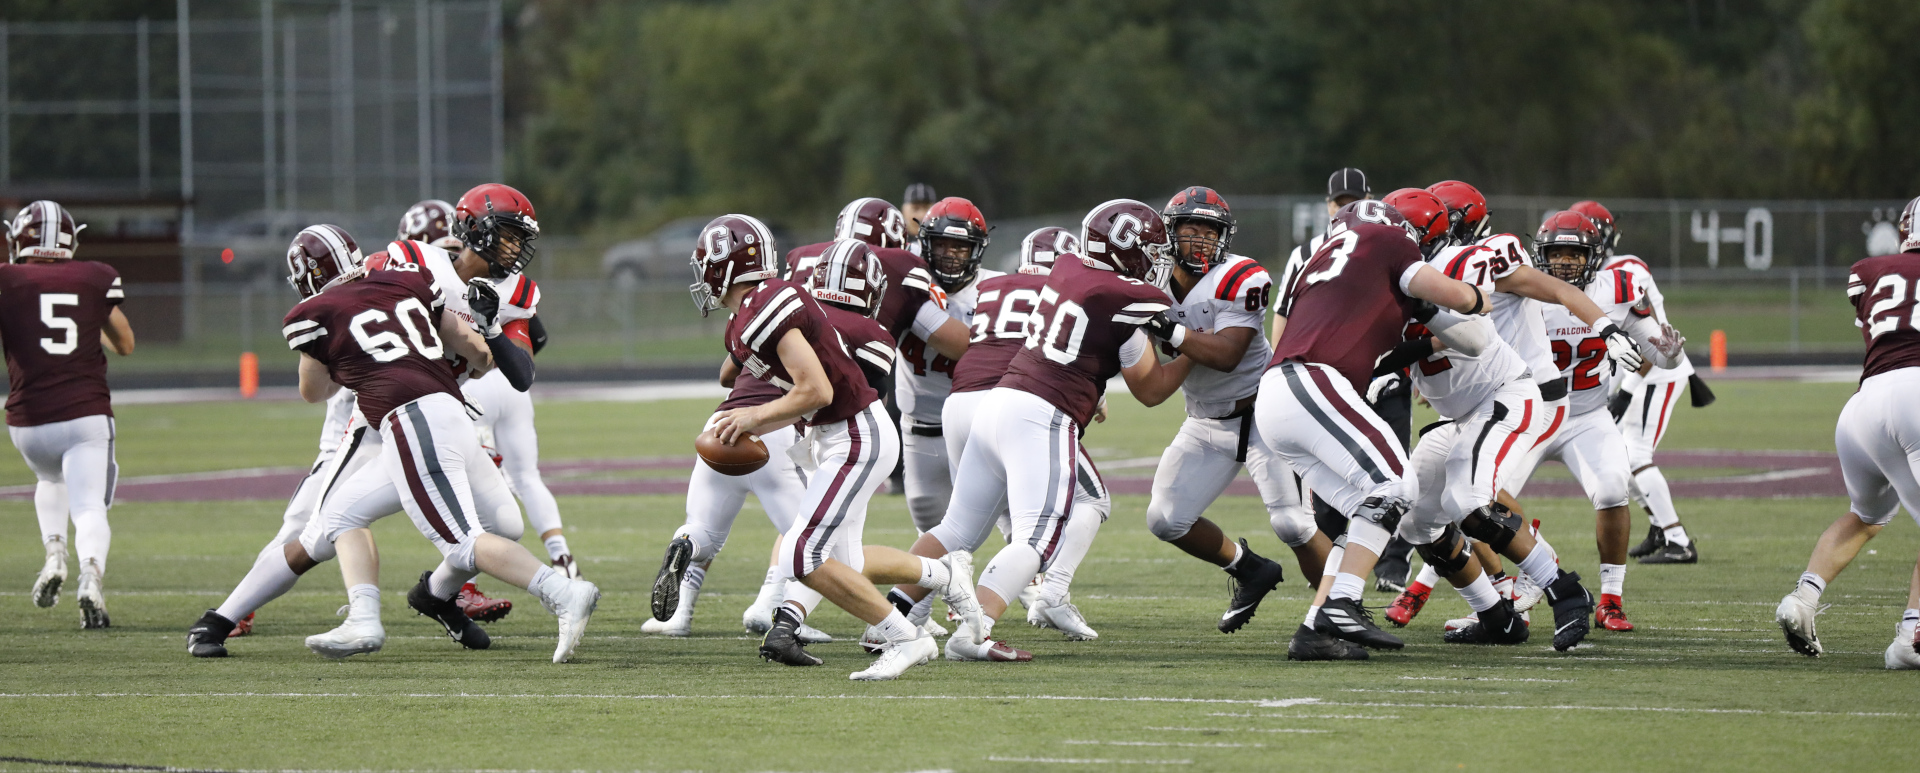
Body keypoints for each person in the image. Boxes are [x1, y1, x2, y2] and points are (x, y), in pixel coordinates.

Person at [886, 199, 1192, 662]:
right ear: (1127, 252)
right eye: (1150, 252)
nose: (1156, 262)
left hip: (999, 401)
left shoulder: (1066, 268)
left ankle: (889, 619)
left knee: (956, 526)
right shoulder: (1131, 297)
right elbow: (1152, 379)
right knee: (1036, 539)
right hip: (1042, 413)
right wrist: (1197, 350)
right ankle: (974, 631)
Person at [689, 214, 983, 681]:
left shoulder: (767, 304)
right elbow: (797, 395)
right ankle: (945, 575)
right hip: (834, 436)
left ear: (726, 265)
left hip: (855, 434)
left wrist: (752, 418)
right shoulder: (745, 317)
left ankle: (906, 637)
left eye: (706, 262)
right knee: (846, 561)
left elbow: (817, 391)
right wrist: (756, 425)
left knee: (800, 554)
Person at [1259, 197, 1491, 661]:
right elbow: (1462, 300)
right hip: (1311, 381)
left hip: (1284, 397)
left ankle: (1314, 631)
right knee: (1397, 484)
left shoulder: (1328, 265)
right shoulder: (1384, 239)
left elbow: (1452, 343)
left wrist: (1425, 324)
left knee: (1368, 508)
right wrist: (1481, 296)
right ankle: (1343, 603)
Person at [1377, 188, 1599, 651]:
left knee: (1469, 500)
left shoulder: (1462, 262)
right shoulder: (1389, 278)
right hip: (1461, 414)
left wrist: (1416, 321)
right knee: (1415, 521)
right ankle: (1496, 616)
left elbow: (1473, 334)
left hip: (1505, 394)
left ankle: (1564, 591)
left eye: (1395, 234)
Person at [1141, 187, 1325, 635]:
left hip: (1265, 416)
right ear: (1169, 233)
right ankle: (1250, 569)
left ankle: (1340, 611)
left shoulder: (1241, 276)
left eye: (1211, 232)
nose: (1201, 240)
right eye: (1191, 230)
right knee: (1165, 519)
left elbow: (1227, 355)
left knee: (1293, 523)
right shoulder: (1147, 281)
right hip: (1205, 419)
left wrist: (1171, 330)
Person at [1505, 211, 1686, 634]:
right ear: (1540, 254)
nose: (1566, 262)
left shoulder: (1617, 290)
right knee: (1488, 499)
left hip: (1587, 414)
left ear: (1595, 256)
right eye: (1557, 253)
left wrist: (1671, 354)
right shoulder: (1521, 289)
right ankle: (1530, 571)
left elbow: (1657, 356)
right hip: (1531, 413)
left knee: (1612, 489)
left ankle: (1611, 600)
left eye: (1575, 254)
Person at [400, 199, 580, 581]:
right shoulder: (419, 263)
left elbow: (523, 370)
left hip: (455, 401)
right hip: (405, 403)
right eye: (509, 236)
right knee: (520, 480)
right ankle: (558, 560)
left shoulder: (511, 288)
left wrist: (493, 335)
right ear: (476, 230)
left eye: (519, 239)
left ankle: (444, 590)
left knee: (498, 518)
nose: (516, 248)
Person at [1776, 195, 1920, 670]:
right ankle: (1911, 637)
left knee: (1867, 516)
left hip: (1862, 408)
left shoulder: (1871, 271)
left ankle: (1802, 598)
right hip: (1916, 397)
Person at [1278, 169, 1418, 593]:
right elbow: (1284, 315)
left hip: (1384, 376)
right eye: (1340, 202)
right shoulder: (1307, 253)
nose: (1346, 207)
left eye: (1353, 200)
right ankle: (1336, 578)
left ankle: (1390, 565)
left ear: (1371, 200)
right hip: (1327, 381)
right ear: (1328, 206)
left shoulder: (1390, 244)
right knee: (1339, 486)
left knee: (1394, 473)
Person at [4, 200, 135, 629]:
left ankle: (54, 554)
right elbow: (125, 343)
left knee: (48, 479)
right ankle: (91, 578)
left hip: (27, 421)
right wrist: (88, 319)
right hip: (84, 415)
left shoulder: (7, 279)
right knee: (89, 506)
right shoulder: (92, 276)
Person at [1574, 200, 1708, 565]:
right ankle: (1660, 527)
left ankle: (1678, 540)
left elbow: (1650, 338)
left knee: (1635, 456)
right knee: (1620, 458)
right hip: (1631, 371)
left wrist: (1626, 391)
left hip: (1655, 370)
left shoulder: (1625, 270)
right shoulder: (1592, 278)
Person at [901, 183, 938, 255]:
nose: (921, 215)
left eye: (926, 209)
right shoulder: (896, 240)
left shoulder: (941, 242)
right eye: (915, 209)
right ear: (903, 211)